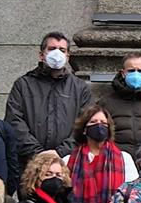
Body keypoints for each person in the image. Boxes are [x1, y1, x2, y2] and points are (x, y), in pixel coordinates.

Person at [6, 32, 93, 161]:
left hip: (67, 162)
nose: (57, 53)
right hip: (29, 162)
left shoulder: (80, 88)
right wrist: (38, 153)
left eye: (62, 50)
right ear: (41, 55)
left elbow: (86, 123)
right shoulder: (23, 85)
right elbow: (14, 121)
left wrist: (61, 152)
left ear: (67, 57)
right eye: (52, 49)